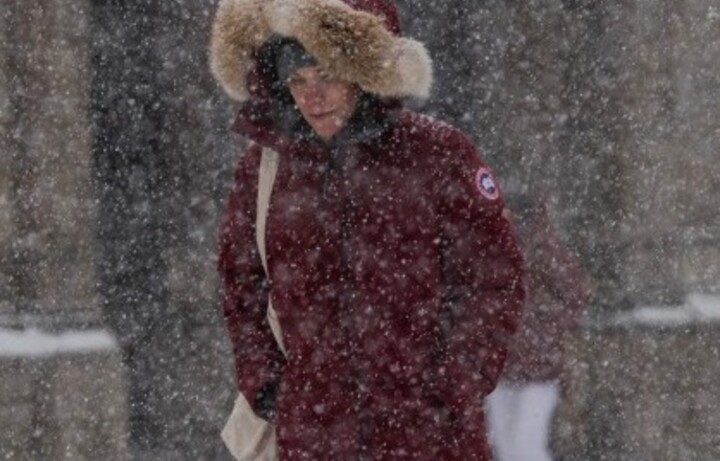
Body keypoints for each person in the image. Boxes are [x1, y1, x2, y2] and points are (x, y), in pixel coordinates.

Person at [210, 0, 524, 459]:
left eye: (326, 76)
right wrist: (269, 385)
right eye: (297, 81)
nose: (313, 97)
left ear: (363, 73)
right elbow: (241, 285)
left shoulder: (438, 154)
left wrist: (452, 386)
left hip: (431, 440)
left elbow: (494, 278)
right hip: (313, 438)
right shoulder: (263, 169)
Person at [486, 193, 591, 461]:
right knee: (507, 448)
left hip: (538, 368)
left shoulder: (543, 248)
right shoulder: (493, 248)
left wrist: (545, 324)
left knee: (526, 446)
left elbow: (576, 292)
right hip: (504, 366)